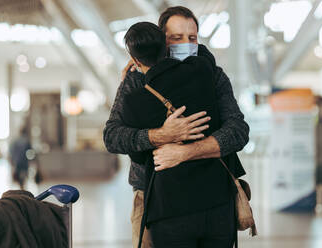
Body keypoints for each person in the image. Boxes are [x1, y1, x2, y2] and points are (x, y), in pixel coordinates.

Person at [103, 6, 249, 247]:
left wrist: (185, 152)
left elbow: (238, 131)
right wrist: (160, 135)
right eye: (176, 38)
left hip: (213, 197)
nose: (186, 45)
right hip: (154, 198)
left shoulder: (212, 75)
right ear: (162, 40)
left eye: (192, 38)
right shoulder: (137, 78)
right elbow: (112, 136)